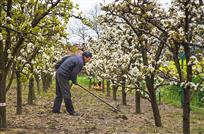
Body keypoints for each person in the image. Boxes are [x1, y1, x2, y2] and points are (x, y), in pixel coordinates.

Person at [52, 51, 92, 116]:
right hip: (63, 75)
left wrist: (57, 67)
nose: (89, 60)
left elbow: (64, 59)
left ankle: (55, 110)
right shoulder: (80, 62)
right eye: (89, 58)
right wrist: (74, 81)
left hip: (59, 73)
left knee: (59, 93)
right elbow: (74, 73)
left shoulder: (76, 56)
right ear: (85, 57)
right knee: (67, 94)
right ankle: (71, 111)